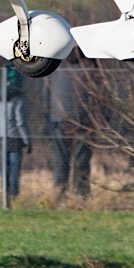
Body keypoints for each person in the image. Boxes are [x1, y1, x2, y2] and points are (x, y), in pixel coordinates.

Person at [44, 54, 91, 198]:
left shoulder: (53, 69)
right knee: (81, 161)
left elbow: (45, 95)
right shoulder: (87, 69)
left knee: (60, 160)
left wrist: (48, 117)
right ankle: (80, 194)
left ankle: (60, 194)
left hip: (58, 121)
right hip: (81, 122)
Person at [0, 65, 31, 200]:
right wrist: (27, 140)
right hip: (15, 138)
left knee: (5, 166)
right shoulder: (18, 100)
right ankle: (14, 195)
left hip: (3, 136)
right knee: (14, 168)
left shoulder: (0, 98)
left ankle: (5, 193)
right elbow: (20, 122)